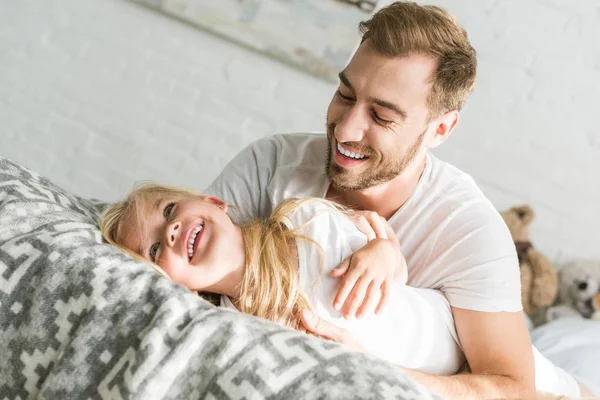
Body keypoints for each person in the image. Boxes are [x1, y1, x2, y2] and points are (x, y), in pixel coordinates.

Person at [202, 2, 594, 398]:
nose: (346, 129)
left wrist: (366, 368)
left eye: (382, 117)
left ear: (440, 128)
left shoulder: (468, 232)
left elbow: (514, 387)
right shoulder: (270, 166)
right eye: (345, 94)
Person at [100, 183, 585, 398]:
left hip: (492, 364)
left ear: (212, 202)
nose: (169, 233)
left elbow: (385, 258)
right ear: (167, 286)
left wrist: (387, 256)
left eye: (167, 212)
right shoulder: (236, 324)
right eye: (153, 252)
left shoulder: (303, 220)